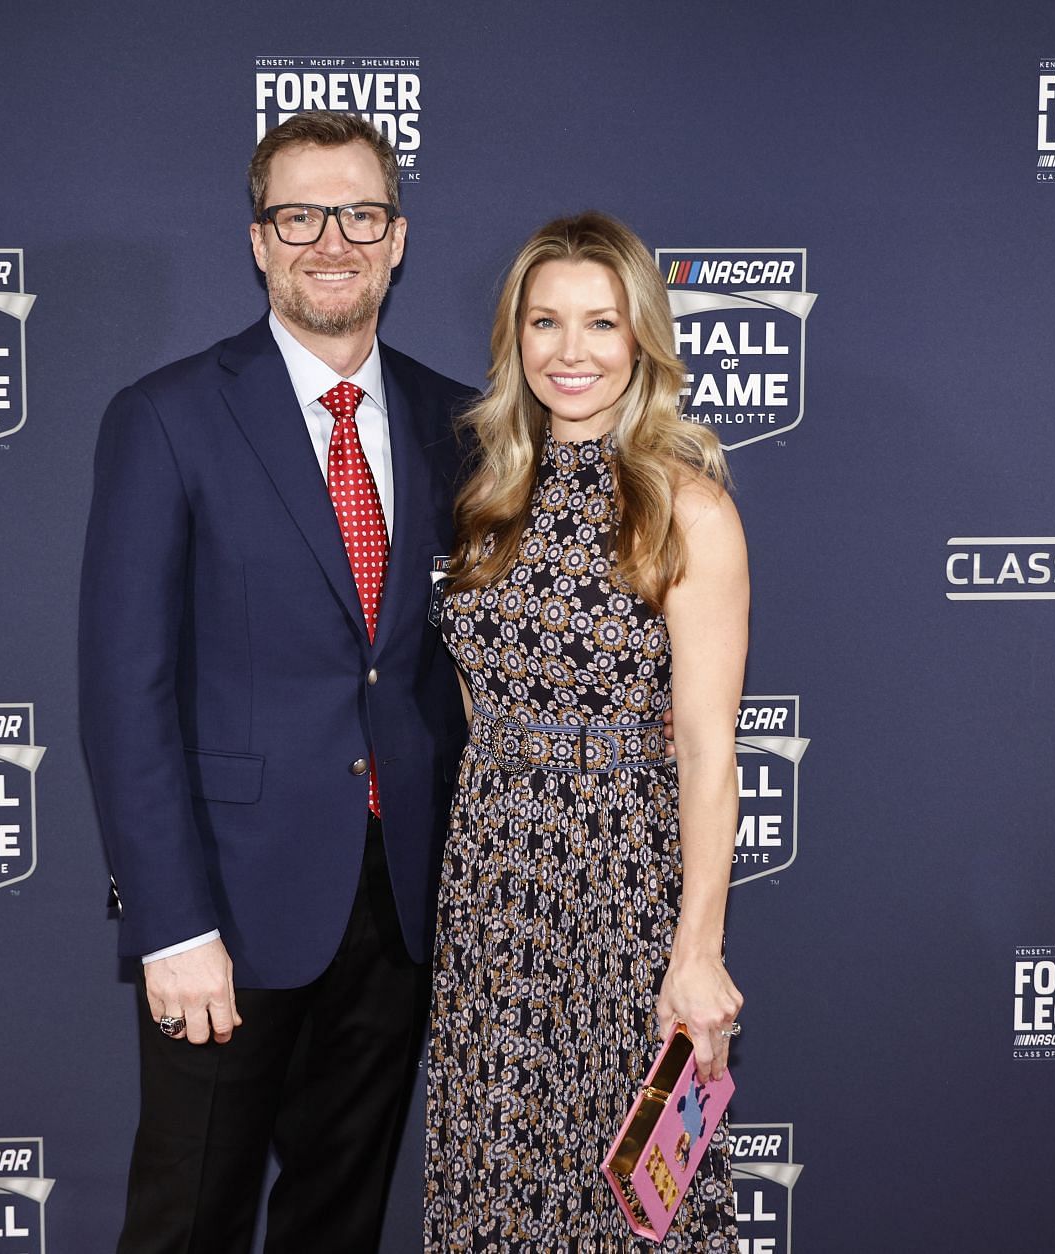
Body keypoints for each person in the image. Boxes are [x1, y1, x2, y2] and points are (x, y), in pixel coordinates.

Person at [78, 111, 474, 1253]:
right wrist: (170, 923)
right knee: (188, 1220)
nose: (330, 241)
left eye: (359, 213)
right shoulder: (165, 418)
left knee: (337, 1222)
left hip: (402, 905)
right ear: (258, 241)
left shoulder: (464, 423)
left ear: (397, 239)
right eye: (298, 215)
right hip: (230, 917)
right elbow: (124, 692)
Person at [424, 212, 748, 1250]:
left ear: (642, 340)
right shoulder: (487, 496)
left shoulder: (683, 507)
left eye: (601, 324)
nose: (571, 352)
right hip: (490, 882)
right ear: (513, 338)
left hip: (618, 878)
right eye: (545, 322)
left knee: (621, 1194)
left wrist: (697, 952)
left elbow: (706, 750)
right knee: (497, 1167)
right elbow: (478, 698)